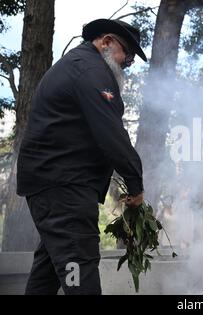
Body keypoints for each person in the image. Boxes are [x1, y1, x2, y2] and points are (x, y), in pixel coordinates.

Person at [17, 19, 148, 295]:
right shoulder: (91, 69)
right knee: (80, 273)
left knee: (49, 270)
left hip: (56, 186)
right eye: (127, 53)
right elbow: (111, 134)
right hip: (64, 188)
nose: (127, 62)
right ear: (107, 41)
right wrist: (135, 185)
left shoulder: (79, 65)